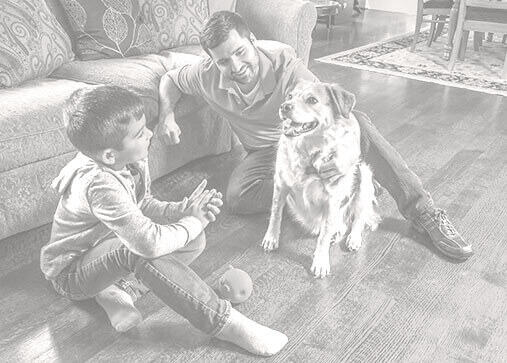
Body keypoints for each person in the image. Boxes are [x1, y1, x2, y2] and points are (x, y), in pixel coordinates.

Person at [158, 11, 473, 261]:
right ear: (213, 61)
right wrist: (166, 114)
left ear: (253, 40)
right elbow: (170, 81)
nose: (236, 66)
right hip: (266, 154)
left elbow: (335, 116)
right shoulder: (205, 74)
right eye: (224, 61)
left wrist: (344, 156)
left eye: (241, 52)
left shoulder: (287, 68)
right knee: (238, 197)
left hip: (307, 142)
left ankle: (424, 213)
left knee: (359, 122)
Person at [40, 85, 288, 356]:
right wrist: (193, 220)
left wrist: (184, 210)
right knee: (141, 250)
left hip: (108, 245)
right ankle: (224, 322)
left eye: (145, 127)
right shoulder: (98, 183)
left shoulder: (129, 160)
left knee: (194, 238)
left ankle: (121, 290)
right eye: (139, 134)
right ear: (109, 155)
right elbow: (146, 244)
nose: (149, 134)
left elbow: (142, 204)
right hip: (72, 273)